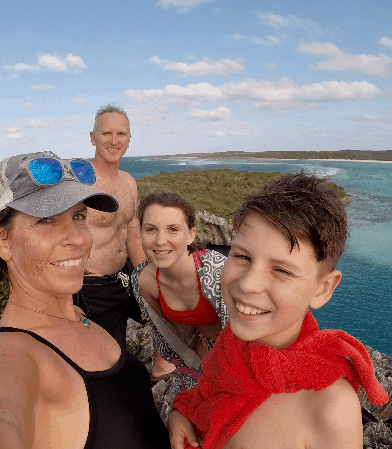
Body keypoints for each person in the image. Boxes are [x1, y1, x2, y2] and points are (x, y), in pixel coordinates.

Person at [168, 173, 390, 449]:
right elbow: (208, 392)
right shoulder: (236, 345)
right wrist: (182, 414)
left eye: (282, 270)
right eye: (242, 256)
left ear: (323, 289)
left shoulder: (330, 409)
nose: (248, 284)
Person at [0, 151, 170, 449]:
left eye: (78, 216)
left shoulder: (78, 314)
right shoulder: (14, 357)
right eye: (46, 220)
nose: (77, 238)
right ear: (4, 241)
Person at [131, 192, 228, 392]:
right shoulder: (143, 280)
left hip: (241, 355)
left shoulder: (216, 270)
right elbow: (165, 334)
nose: (160, 241)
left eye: (173, 229)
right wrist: (190, 366)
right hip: (198, 355)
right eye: (151, 229)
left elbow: (249, 336)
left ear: (191, 234)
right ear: (140, 232)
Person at [73, 104, 147, 348]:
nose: (114, 141)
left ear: (128, 140)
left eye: (121, 134)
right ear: (93, 138)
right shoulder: (79, 180)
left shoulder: (129, 182)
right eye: (106, 133)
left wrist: (145, 280)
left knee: (117, 352)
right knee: (90, 358)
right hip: (86, 287)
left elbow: (133, 236)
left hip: (120, 282)